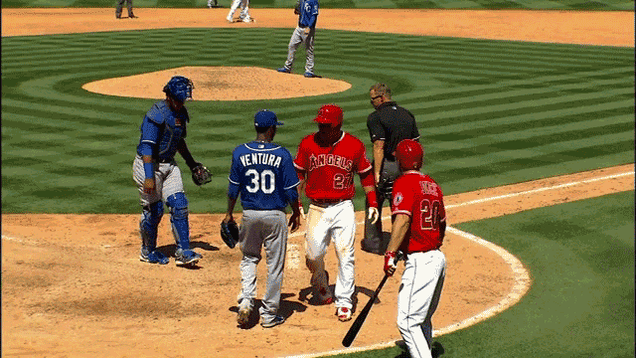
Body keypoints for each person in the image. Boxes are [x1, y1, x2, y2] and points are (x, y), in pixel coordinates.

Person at [294, 104, 379, 322]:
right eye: (320, 125)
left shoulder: (353, 145)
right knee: (313, 255)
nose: (322, 129)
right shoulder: (308, 143)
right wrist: (296, 202)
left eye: (326, 126)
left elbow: (366, 175)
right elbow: (299, 174)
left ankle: (344, 301)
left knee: (345, 254)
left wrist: (373, 203)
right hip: (317, 207)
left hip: (343, 207)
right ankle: (320, 282)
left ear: (338, 125)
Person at [223, 110, 302, 328]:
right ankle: (268, 315)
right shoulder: (282, 154)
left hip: (249, 214)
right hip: (275, 215)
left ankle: (246, 301)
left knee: (249, 258)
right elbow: (291, 191)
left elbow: (233, 188)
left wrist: (229, 213)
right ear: (271, 129)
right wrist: (296, 211)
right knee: (274, 265)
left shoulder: (240, 152)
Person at [132, 76, 204, 267]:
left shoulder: (180, 114)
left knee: (179, 204)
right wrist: (148, 176)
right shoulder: (156, 115)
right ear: (169, 96)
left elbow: (179, 142)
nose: (182, 104)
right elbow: (147, 147)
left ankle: (183, 251)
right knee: (154, 210)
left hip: (169, 165)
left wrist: (191, 164)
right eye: (179, 100)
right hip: (149, 165)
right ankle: (148, 251)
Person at [384, 139, 446, 358]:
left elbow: (402, 220)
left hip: (421, 261)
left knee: (408, 322)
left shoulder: (403, 183)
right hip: (437, 258)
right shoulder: (433, 185)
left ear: (401, 160)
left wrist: (391, 252)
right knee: (422, 319)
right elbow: (442, 224)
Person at [362, 83, 420, 255]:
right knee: (402, 205)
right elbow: (415, 144)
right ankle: (403, 244)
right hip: (406, 167)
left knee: (374, 201)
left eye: (373, 99)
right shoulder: (407, 114)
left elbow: (379, 145)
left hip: (387, 165)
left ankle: (373, 243)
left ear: (382, 97)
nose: (371, 102)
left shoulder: (376, 117)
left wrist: (377, 173)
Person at [277, 0, 320, 78]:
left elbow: (314, 15)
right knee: (291, 45)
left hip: (307, 28)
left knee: (309, 50)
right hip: (299, 28)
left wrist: (309, 27)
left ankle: (309, 70)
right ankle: (287, 67)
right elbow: (298, 12)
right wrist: (297, 11)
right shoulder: (302, 0)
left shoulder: (314, 1)